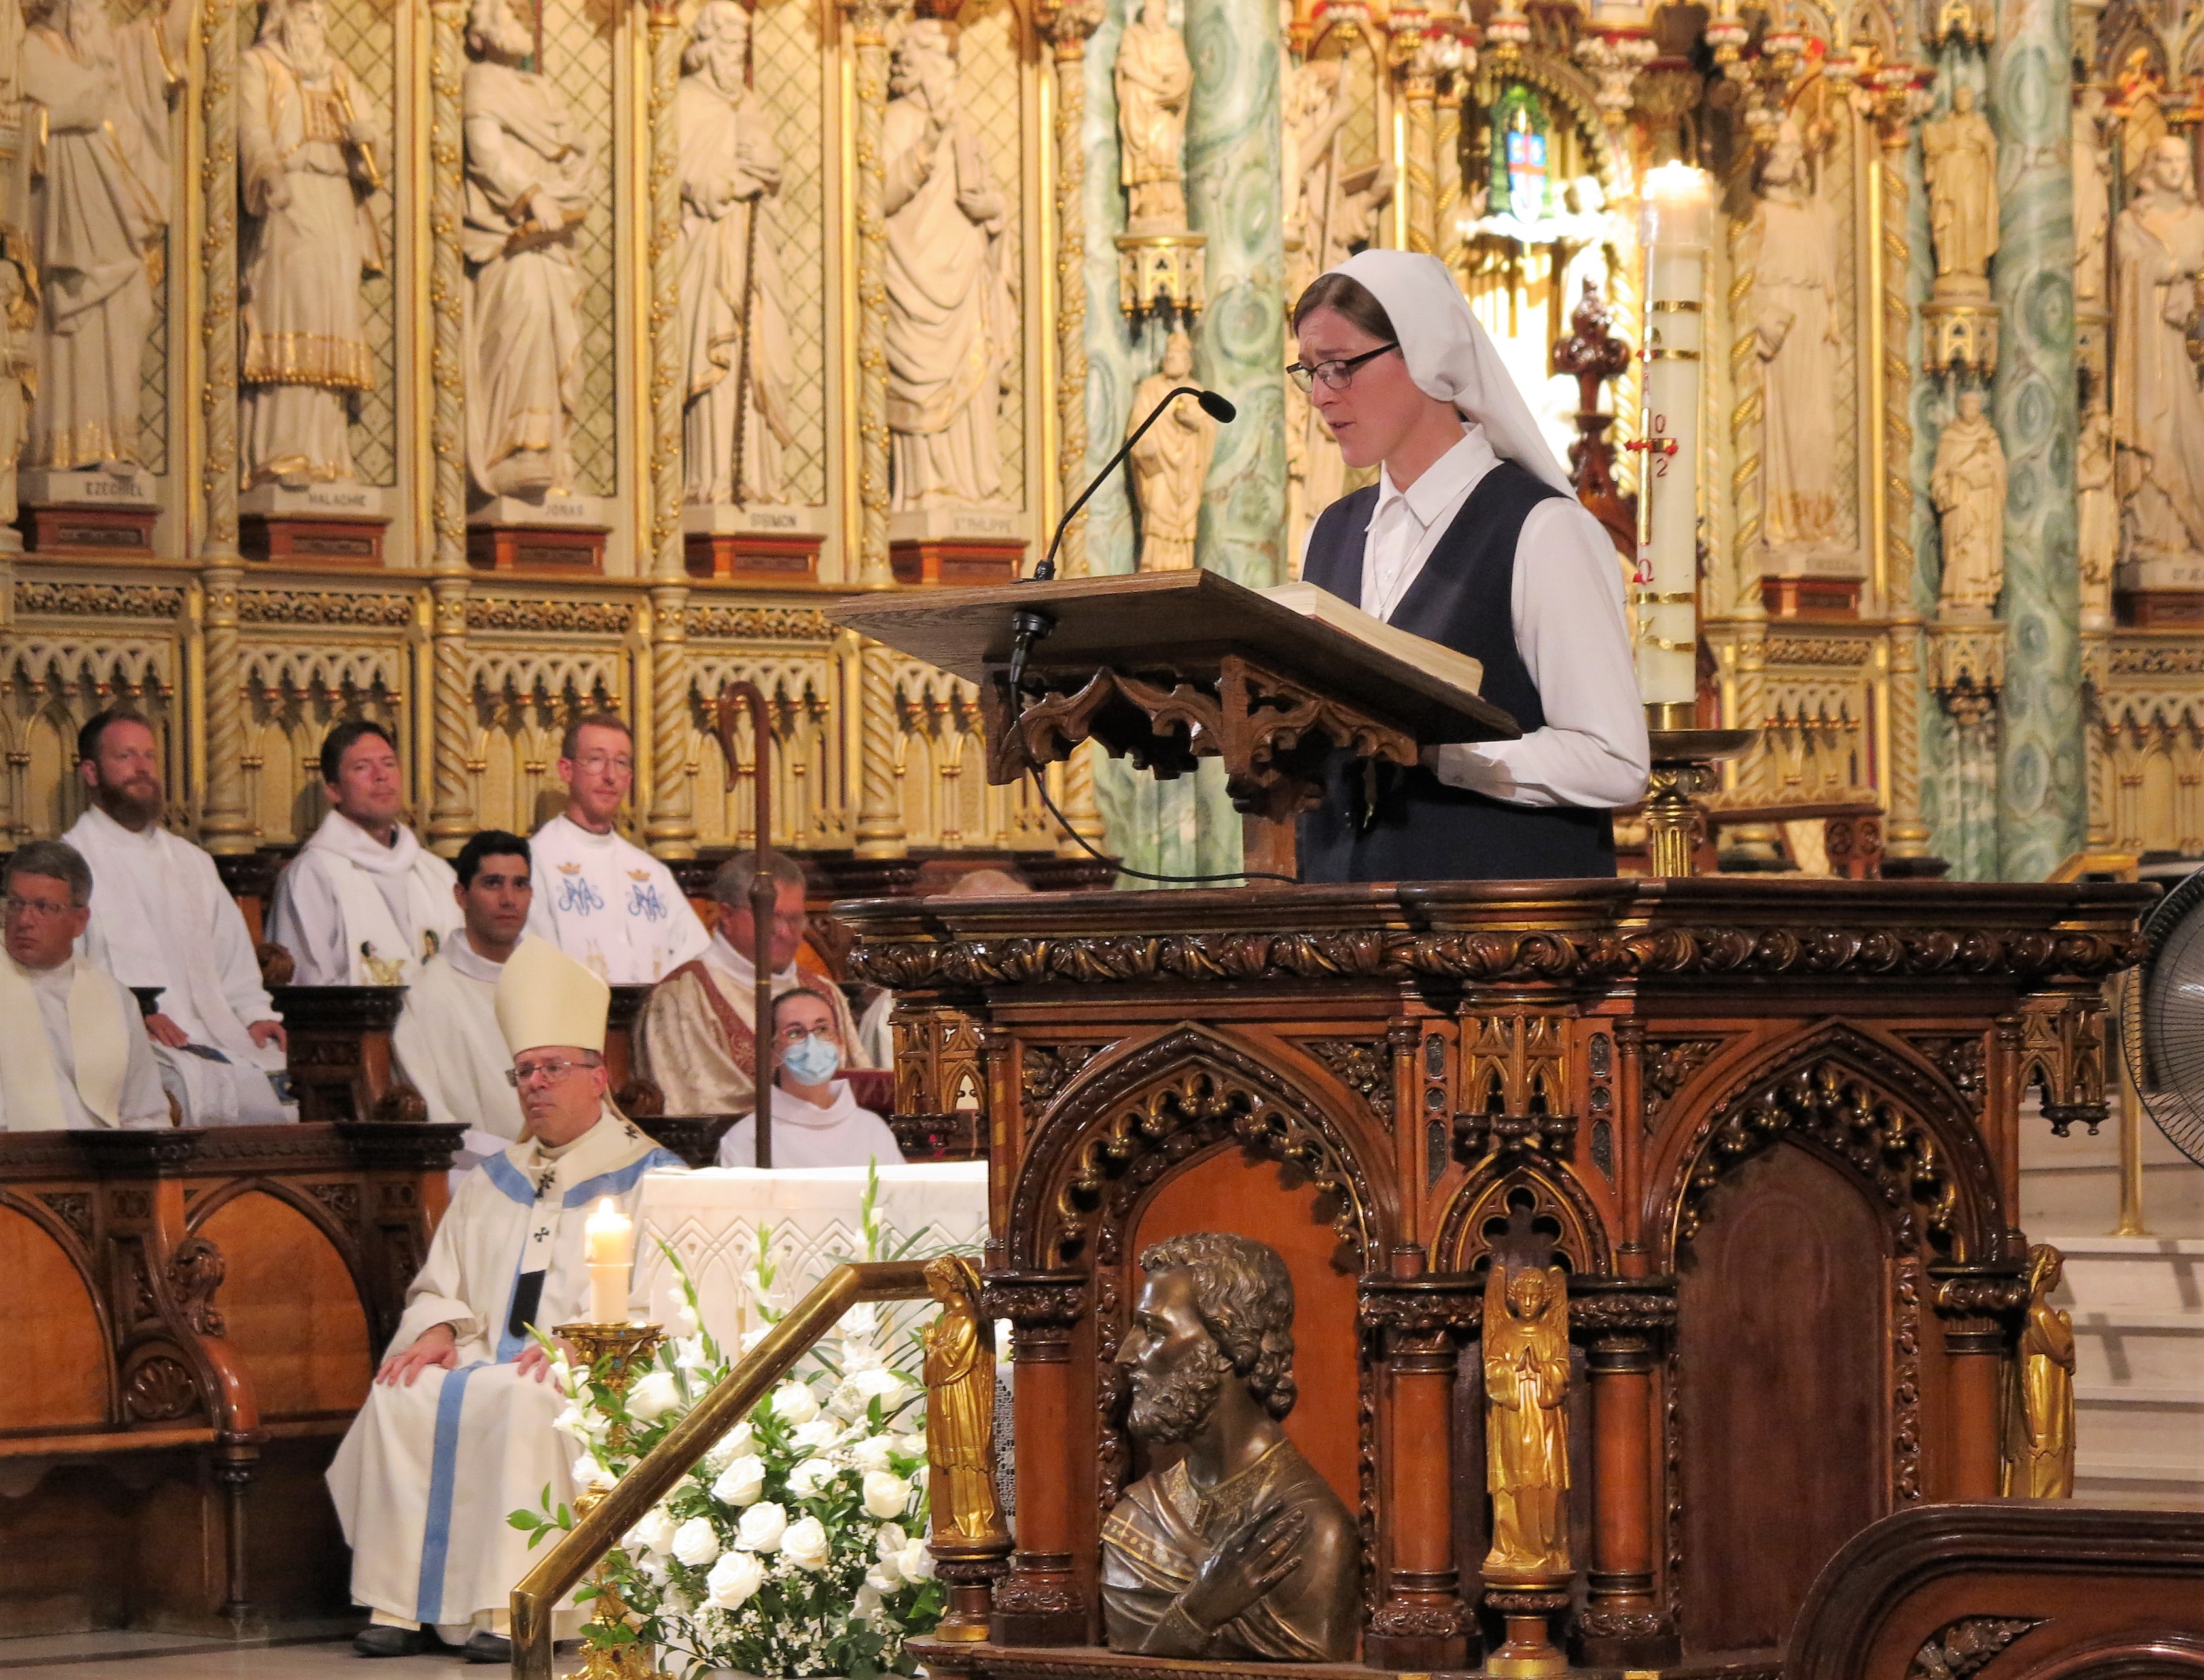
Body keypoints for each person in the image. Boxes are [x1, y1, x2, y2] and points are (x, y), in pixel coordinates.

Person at [327, 936, 684, 1660]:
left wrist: (585, 1343)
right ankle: (399, 1605)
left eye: (554, 1068)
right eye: (524, 1071)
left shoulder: (653, 1177)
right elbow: (440, 1284)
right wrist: (437, 1328)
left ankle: (516, 1608)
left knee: (526, 1399)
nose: (535, 1085)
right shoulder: (493, 1180)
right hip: (487, 1356)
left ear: (599, 1077)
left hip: (584, 1369)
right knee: (403, 1390)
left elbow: (668, 1296)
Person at [1289, 250, 1647, 881]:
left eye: (1340, 366)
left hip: (1499, 926)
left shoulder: (1540, 529)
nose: (1321, 395)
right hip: (1344, 923)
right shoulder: (1332, 532)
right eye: (1311, 371)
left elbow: (1615, 762)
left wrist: (1440, 754)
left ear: (1426, 353)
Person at [1100, 1233, 1357, 1661]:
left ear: (1230, 1344)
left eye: (1155, 1331)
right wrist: (1199, 1612)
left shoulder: (1311, 1530)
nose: (1127, 1355)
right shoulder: (1138, 1518)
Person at [63, 709, 291, 1125]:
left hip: (219, 1032)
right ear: (91, 772)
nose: (142, 768)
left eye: (149, 756)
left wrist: (256, 1015)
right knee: (183, 1087)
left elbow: (234, 961)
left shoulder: (192, 862)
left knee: (291, 1076)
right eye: (126, 757)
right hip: (129, 1039)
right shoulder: (71, 863)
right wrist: (130, 1016)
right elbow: (64, 975)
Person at [238, 0, 385, 489]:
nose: (317, 25)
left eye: (321, 17)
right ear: (281, 17)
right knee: (290, 308)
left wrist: (368, 142)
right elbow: (251, 128)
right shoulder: (259, 66)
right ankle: (283, 448)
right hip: (290, 199)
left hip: (335, 202)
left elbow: (375, 151)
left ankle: (327, 453)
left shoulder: (338, 76)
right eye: (307, 15)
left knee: (332, 314)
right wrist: (267, 171)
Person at [635, 850, 872, 1115]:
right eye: (771, 917)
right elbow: (695, 1105)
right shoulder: (683, 997)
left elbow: (862, 1090)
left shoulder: (824, 993)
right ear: (727, 915)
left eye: (795, 919)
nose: (785, 932)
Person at [268, 720, 459, 986]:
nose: (381, 776)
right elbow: (305, 984)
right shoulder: (312, 874)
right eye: (362, 767)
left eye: (389, 764)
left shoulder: (435, 872)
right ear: (333, 790)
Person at [524, 713, 709, 983]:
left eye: (621, 763)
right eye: (596, 760)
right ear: (566, 770)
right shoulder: (537, 861)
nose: (610, 776)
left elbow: (695, 957)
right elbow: (532, 964)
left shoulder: (650, 872)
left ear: (630, 778)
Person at [395, 831, 534, 1183]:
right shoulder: (425, 996)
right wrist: (524, 1161)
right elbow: (435, 1123)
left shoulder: (553, 983)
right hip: (474, 1174)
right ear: (461, 896)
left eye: (520, 885)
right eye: (492, 884)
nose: (509, 899)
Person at [1, 840, 169, 1130]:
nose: (25, 920)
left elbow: (146, 1115)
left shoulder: (115, 1000)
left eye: (42, 907)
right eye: (16, 904)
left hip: (101, 1155)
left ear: (79, 921)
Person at [718, 986, 903, 1168]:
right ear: (771, 1052)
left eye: (822, 1029)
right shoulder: (748, 1138)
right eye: (795, 1032)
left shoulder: (872, 1131)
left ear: (840, 1043)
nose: (812, 1043)